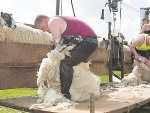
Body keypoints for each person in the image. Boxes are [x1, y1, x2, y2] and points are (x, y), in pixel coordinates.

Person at [34, 14, 98, 100]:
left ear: (44, 21)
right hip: (90, 41)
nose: (44, 31)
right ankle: (81, 92)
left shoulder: (52, 22)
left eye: (42, 28)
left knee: (66, 64)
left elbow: (58, 45)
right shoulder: (60, 20)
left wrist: (53, 59)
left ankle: (65, 96)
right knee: (75, 65)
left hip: (87, 41)